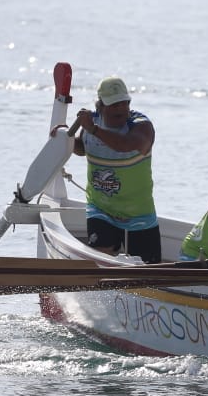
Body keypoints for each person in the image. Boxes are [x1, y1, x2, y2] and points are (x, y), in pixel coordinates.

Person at [68, 76, 161, 263]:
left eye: (124, 103)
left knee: (150, 269)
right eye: (114, 104)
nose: (121, 108)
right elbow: (81, 148)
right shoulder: (91, 122)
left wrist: (93, 129)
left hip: (139, 213)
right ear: (100, 106)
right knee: (101, 256)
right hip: (101, 208)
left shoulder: (142, 126)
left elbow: (125, 145)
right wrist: (63, 138)